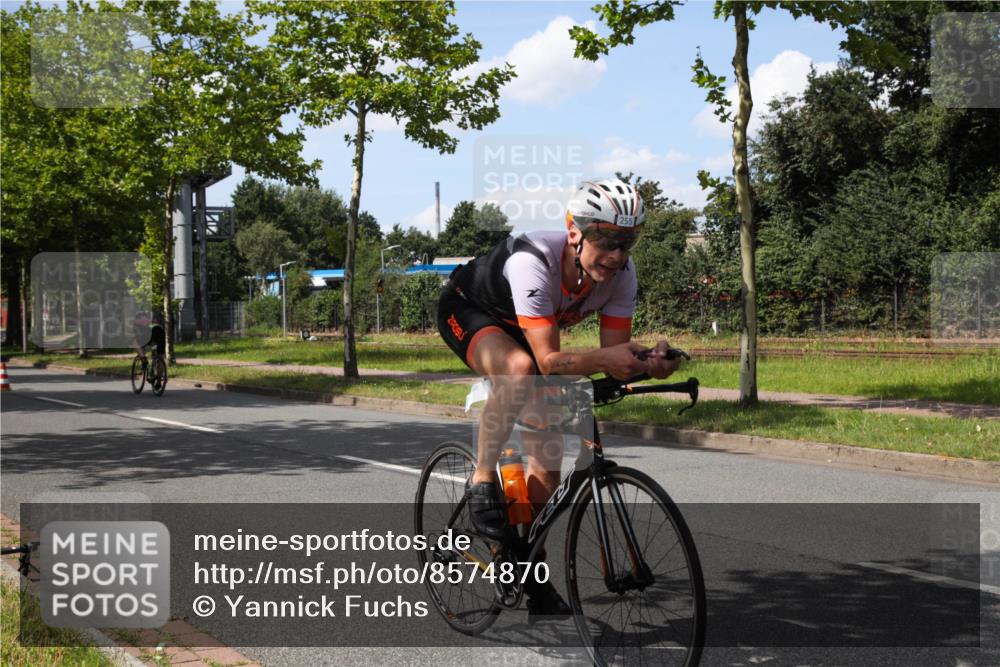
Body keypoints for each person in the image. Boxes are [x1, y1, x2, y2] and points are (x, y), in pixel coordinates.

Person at [436, 178, 682, 620]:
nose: (616, 254)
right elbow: (548, 360)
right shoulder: (534, 260)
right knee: (518, 370)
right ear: (575, 231)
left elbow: (611, 355)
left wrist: (649, 361)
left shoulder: (621, 276)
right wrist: (608, 357)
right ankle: (481, 478)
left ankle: (527, 568)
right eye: (606, 239)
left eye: (628, 242)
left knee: (546, 458)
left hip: (533, 329)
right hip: (471, 309)